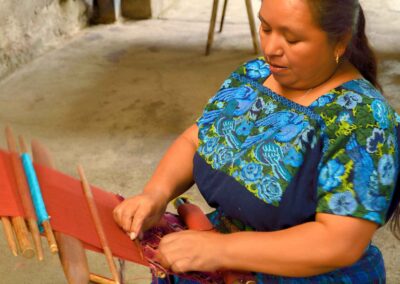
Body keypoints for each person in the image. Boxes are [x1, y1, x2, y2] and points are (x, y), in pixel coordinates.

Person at [113, 0, 400, 282]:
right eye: (265, 27)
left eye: (292, 38)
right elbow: (197, 140)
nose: (271, 49)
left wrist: (222, 250)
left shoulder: (362, 120)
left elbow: (338, 242)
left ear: (340, 41)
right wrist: (155, 194)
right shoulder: (253, 75)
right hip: (216, 250)